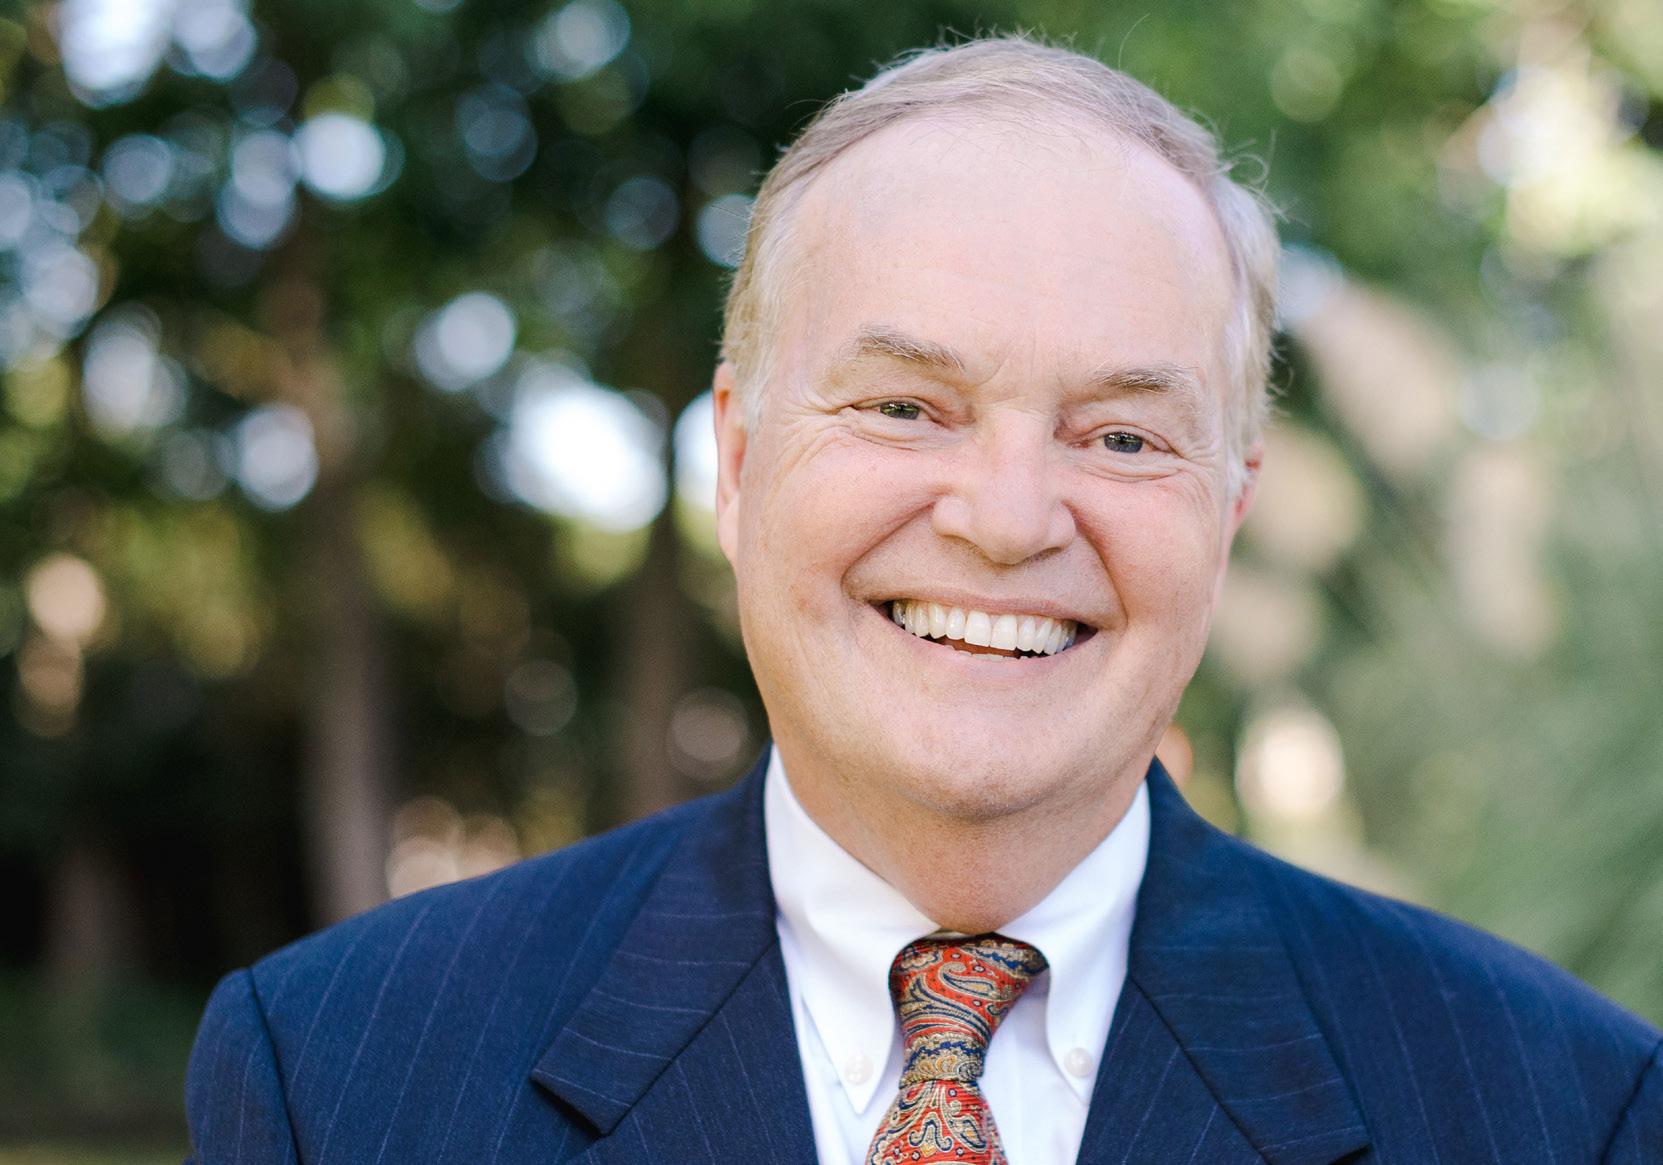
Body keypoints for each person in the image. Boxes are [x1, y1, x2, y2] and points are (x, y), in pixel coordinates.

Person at [183, 34, 1663, 1164]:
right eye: (905, 407)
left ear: (1230, 509)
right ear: (739, 461)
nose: (1008, 521)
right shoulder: (338, 1076)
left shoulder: (1561, 1107)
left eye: (1122, 436)